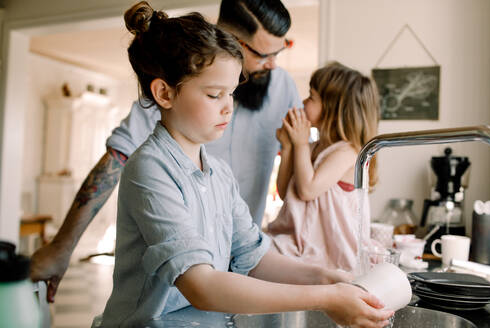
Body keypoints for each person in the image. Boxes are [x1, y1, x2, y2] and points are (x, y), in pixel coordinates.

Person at [94, 3, 393, 327]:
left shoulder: (219, 173)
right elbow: (202, 287)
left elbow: (255, 257)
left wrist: (326, 277)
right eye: (214, 95)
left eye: (232, 94)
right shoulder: (149, 170)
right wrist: (326, 298)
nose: (228, 108)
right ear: (164, 94)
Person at [30, 0, 301, 303]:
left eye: (280, 51)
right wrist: (62, 246)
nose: (274, 64)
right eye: (262, 54)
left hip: (236, 257)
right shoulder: (177, 82)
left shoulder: (281, 89)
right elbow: (117, 158)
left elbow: (296, 165)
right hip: (175, 279)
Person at [267, 62, 380, 272]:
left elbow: (308, 190)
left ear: (333, 108)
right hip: (302, 242)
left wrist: (300, 143)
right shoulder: (311, 148)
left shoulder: (348, 152)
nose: (303, 101)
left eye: (311, 97)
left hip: (332, 253)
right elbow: (286, 193)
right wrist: (289, 146)